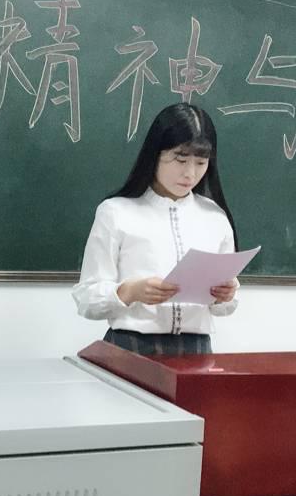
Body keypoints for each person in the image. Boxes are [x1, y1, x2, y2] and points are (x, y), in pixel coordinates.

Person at [72, 102, 240, 356]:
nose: (190, 173)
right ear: (155, 154)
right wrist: (130, 291)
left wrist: (224, 294)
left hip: (197, 351)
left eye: (201, 162)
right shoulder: (116, 212)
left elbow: (224, 307)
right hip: (130, 348)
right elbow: (87, 299)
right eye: (180, 159)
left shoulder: (214, 217)